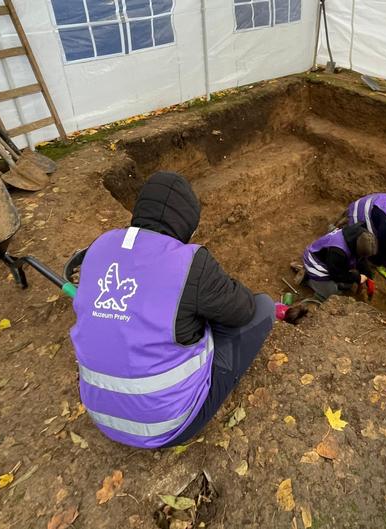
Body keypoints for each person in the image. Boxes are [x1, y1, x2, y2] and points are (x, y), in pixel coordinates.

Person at [70, 172, 275, 449]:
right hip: (169, 426)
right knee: (263, 307)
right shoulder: (190, 262)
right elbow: (243, 310)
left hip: (100, 414)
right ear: (188, 226)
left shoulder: (99, 247)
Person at [302, 223, 378, 300]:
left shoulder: (360, 234)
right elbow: (335, 275)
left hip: (330, 259)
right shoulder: (338, 252)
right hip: (314, 261)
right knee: (333, 293)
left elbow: (361, 260)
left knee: (349, 280)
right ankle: (308, 278)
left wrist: (369, 276)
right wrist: (357, 277)